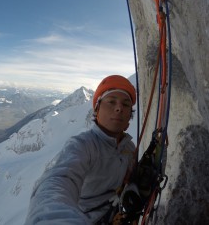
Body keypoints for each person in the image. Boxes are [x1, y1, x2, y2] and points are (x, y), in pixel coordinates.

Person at [24, 75, 141, 225]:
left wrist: (132, 189)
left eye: (126, 104)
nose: (119, 108)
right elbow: (59, 179)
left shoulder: (129, 148)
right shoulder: (83, 145)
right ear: (97, 110)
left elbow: (129, 179)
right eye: (111, 101)